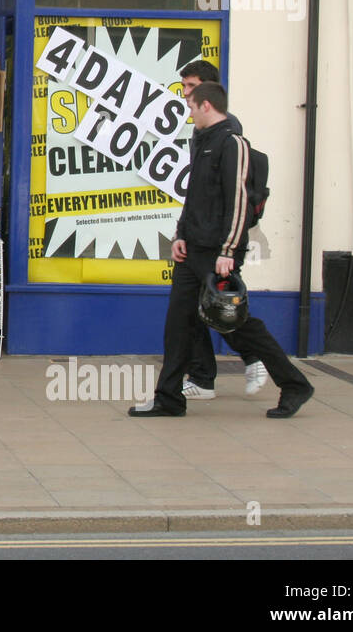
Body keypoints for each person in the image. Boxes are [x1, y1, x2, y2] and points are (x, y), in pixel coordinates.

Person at [129, 82, 314, 418]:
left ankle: (294, 383)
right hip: (192, 250)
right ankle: (168, 398)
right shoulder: (202, 143)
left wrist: (228, 250)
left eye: (191, 106)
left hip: (218, 253)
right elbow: (194, 196)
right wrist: (181, 234)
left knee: (236, 324)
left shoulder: (232, 144)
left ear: (207, 107)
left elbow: (239, 201)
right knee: (179, 324)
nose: (189, 112)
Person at [176, 60, 268, 401]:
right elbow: (196, 189)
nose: (185, 95)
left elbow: (235, 195)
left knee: (218, 305)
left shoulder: (227, 133)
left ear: (209, 93)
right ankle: (202, 377)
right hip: (199, 238)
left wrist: (227, 249)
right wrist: (183, 231)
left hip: (217, 243)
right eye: (183, 87)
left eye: (191, 87)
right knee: (194, 308)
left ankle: (256, 356)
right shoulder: (201, 131)